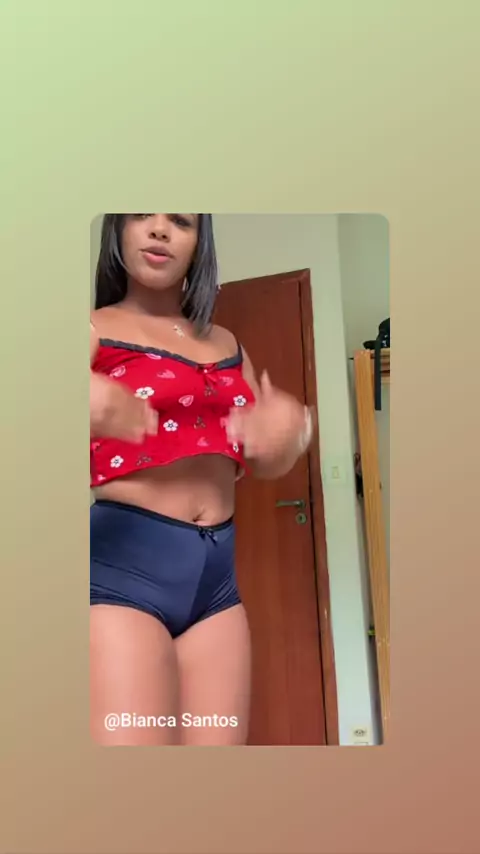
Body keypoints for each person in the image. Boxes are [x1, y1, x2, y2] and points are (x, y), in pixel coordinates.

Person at [90, 213, 313, 746]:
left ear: (199, 243)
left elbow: (265, 460)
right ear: (118, 230)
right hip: (122, 573)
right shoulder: (92, 328)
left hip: (216, 587)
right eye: (142, 215)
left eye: (182, 221)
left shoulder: (227, 342)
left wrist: (289, 434)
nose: (160, 230)